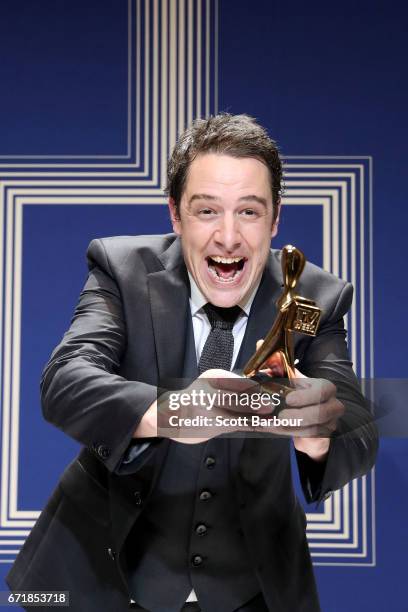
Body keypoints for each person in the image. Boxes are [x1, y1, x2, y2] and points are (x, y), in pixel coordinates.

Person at [6, 114, 377, 612]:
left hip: (252, 589)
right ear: (176, 216)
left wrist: (314, 429)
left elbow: (357, 429)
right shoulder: (121, 269)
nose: (228, 237)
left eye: (249, 212)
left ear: (275, 220)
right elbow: (66, 380)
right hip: (101, 578)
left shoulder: (312, 298)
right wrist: (173, 414)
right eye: (206, 211)